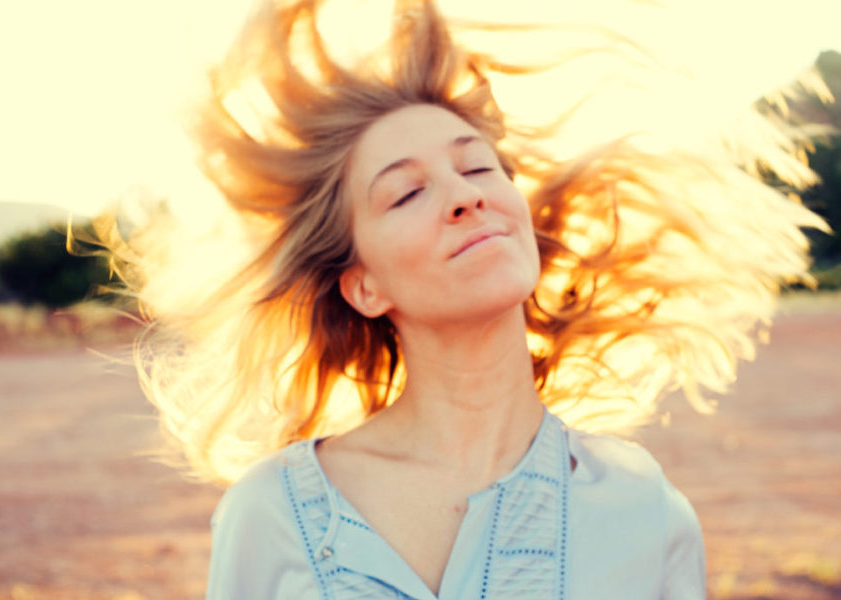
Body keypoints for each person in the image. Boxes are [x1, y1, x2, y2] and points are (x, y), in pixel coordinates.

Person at [102, 0, 825, 598]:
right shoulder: (271, 516)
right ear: (363, 286)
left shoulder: (644, 512)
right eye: (406, 192)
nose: (464, 196)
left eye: (477, 168)